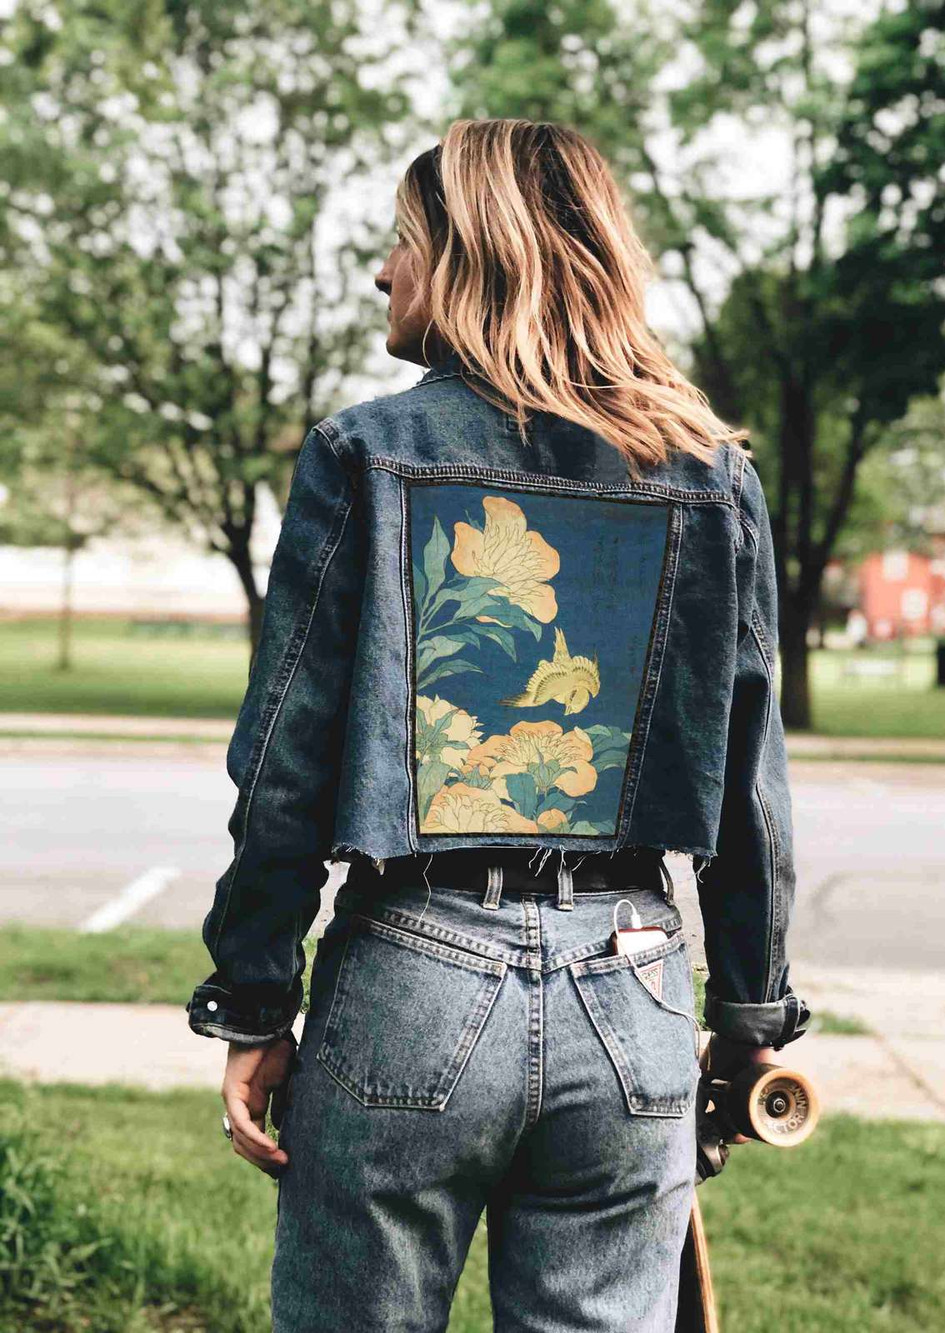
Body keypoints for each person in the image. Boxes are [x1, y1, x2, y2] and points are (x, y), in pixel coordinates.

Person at [186, 118, 811, 1332]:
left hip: (411, 973)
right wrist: (748, 1018)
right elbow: (750, 794)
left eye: (401, 241)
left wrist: (255, 999)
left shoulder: (364, 454)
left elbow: (283, 768)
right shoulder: (710, 475)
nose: (381, 271)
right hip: (632, 986)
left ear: (470, 254)